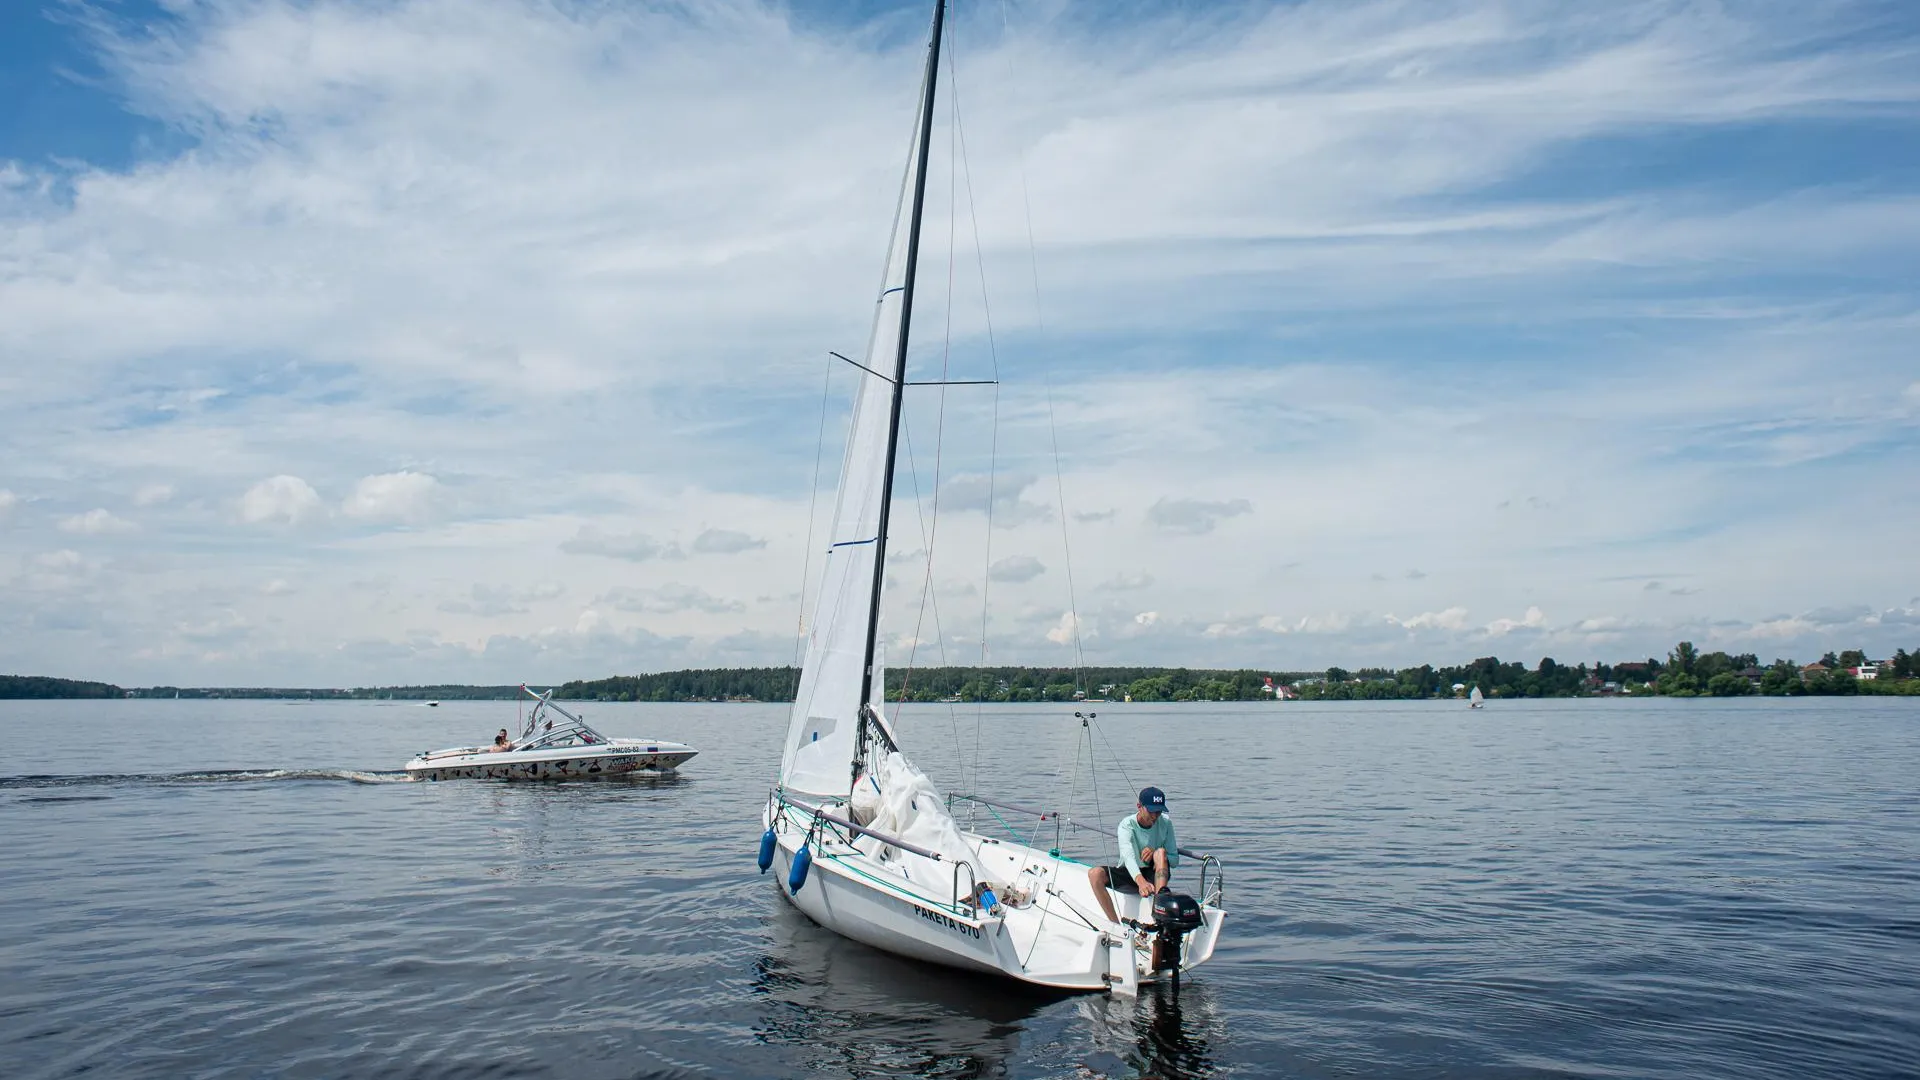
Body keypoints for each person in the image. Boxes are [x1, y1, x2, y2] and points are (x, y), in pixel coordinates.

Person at [1089, 786, 1179, 925]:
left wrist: (1156, 851)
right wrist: (1141, 882)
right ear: (1139, 806)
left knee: (1161, 853)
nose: (1155, 816)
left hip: (1153, 874)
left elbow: (1174, 860)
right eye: (1151, 811)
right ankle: (1115, 925)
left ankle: (1159, 908)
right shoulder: (1127, 825)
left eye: (1159, 812)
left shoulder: (1166, 823)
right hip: (1130, 873)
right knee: (1095, 874)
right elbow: (1128, 857)